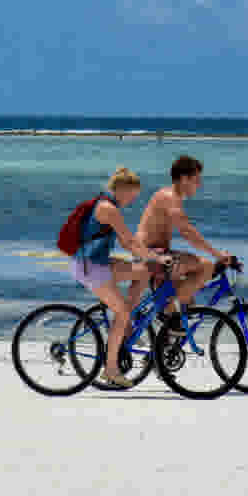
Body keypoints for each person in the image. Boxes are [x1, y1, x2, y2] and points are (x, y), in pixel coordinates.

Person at [68, 166, 169, 388]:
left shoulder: (107, 205)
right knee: (122, 313)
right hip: (91, 268)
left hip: (98, 262)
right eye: (132, 196)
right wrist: (157, 258)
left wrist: (151, 258)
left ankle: (127, 324)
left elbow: (128, 243)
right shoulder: (108, 209)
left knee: (145, 271)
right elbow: (130, 243)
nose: (133, 201)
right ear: (122, 189)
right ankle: (111, 369)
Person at [136, 154, 236, 316]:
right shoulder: (170, 197)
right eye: (196, 180)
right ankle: (168, 313)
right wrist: (217, 254)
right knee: (206, 267)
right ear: (184, 179)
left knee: (188, 302)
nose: (199, 185)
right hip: (152, 256)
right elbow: (187, 232)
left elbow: (187, 232)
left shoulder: (171, 196)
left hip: (156, 254)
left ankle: (167, 328)